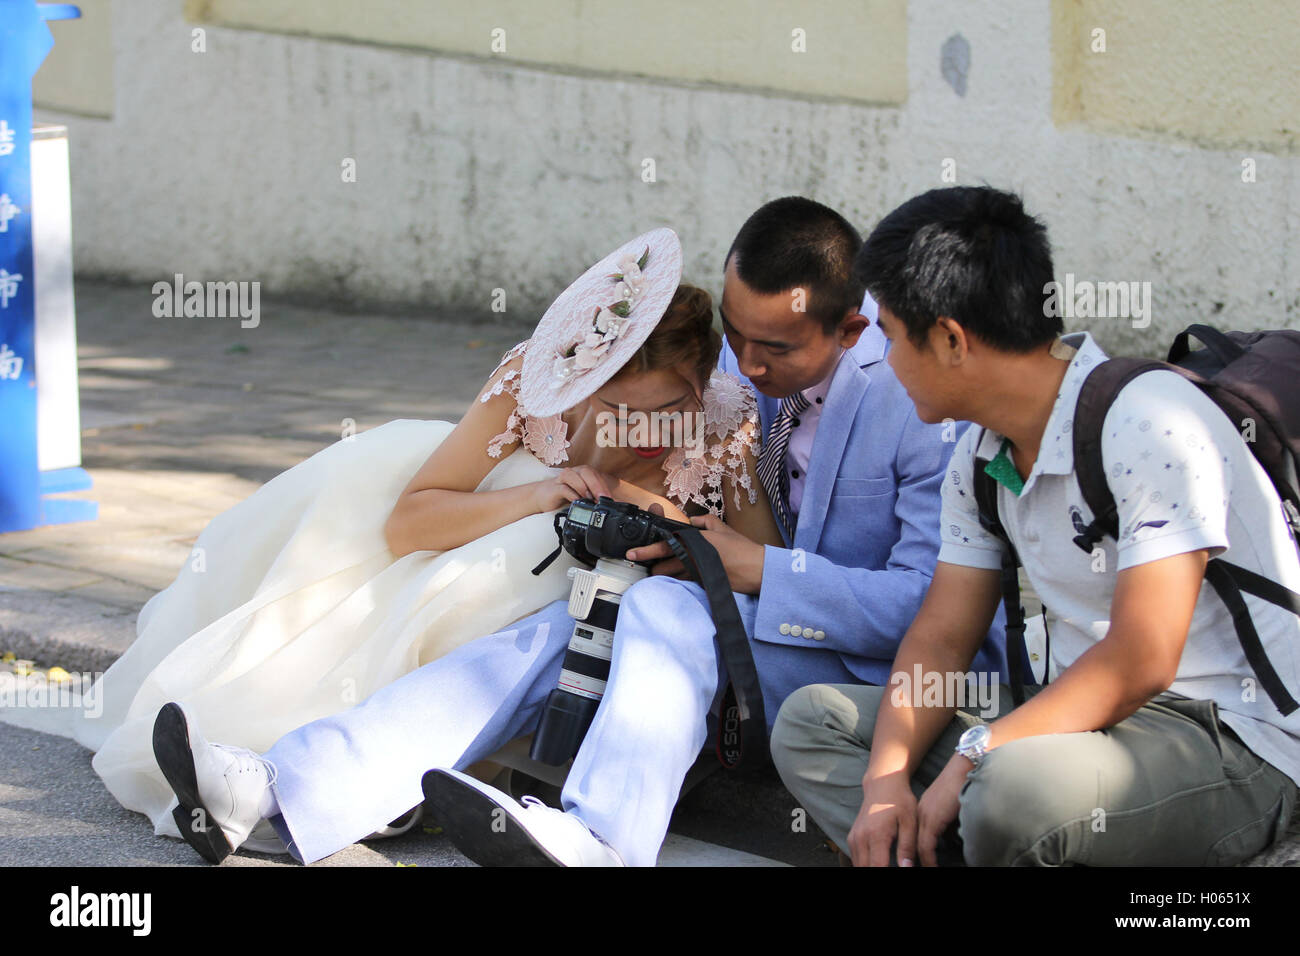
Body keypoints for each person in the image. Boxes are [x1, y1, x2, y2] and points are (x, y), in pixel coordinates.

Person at [152, 195, 1005, 868]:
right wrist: (696, 547)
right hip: (745, 619)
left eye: (772, 348)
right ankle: (281, 787)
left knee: (658, 613)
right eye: (735, 339)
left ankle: (599, 840)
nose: (746, 367)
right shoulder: (757, 380)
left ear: (850, 327)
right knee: (567, 622)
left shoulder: (916, 403)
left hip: (863, 667)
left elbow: (937, 612)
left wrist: (746, 566)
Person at [52, 227, 779, 851]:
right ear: (585, 382)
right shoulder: (535, 383)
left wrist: (663, 518)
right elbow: (410, 522)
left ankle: (287, 786)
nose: (640, 431)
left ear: (700, 384)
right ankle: (264, 777)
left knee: (522, 617)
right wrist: (537, 494)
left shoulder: (727, 418)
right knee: (481, 581)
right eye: (617, 408)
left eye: (666, 411)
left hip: (625, 608)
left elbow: (757, 566)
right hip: (484, 557)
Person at [769, 185, 1300, 866]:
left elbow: (1142, 657)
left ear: (951, 340)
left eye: (894, 339)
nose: (886, 363)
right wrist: (884, 785)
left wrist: (975, 753)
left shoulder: (1152, 424)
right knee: (816, 726)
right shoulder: (981, 456)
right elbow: (940, 637)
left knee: (1010, 791)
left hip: (1225, 738)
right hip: (1075, 724)